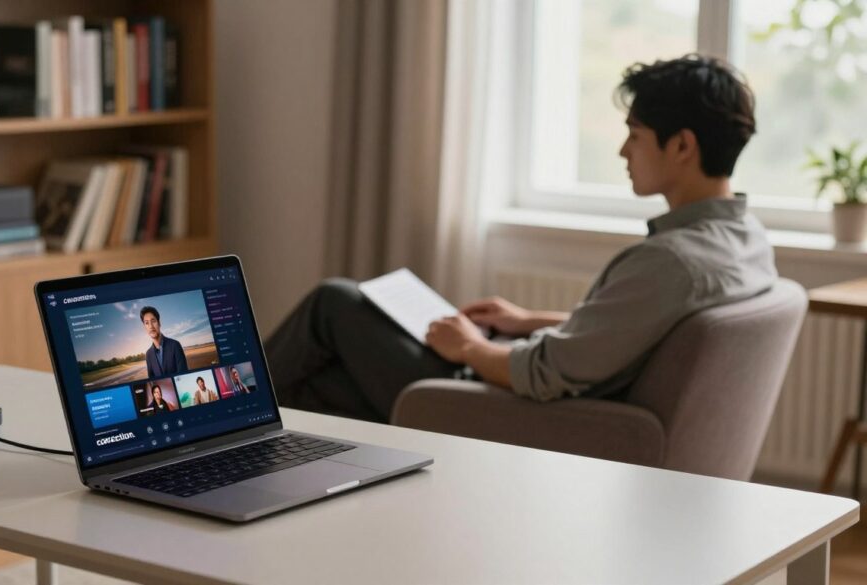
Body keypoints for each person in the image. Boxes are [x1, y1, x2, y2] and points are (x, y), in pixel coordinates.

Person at [265, 53, 777, 424]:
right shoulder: (743, 240)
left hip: (509, 405)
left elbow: (543, 373)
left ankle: (208, 427)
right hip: (542, 383)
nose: (624, 151)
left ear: (682, 146)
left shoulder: (671, 263)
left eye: (636, 135)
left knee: (333, 303)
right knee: (316, 388)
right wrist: (527, 320)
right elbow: (642, 336)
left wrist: (469, 347)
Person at [141, 306, 188, 378]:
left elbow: (184, 375)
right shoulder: (148, 354)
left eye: (153, 321)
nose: (151, 326)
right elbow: (152, 379)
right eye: (147, 323)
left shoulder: (175, 345)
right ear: (145, 327)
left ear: (159, 323)